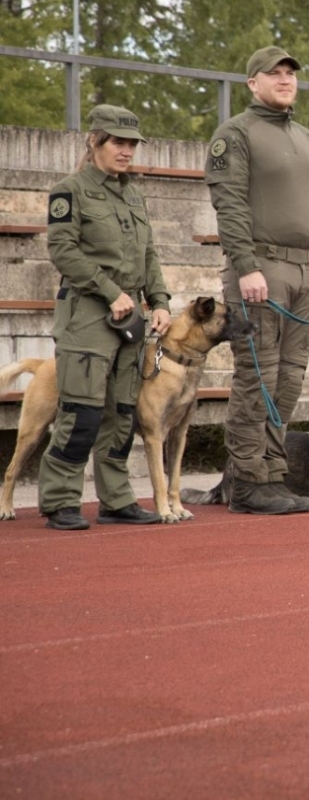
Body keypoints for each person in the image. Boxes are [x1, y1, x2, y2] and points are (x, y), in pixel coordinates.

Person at [207, 46, 309, 515]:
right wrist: (245, 265)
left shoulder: (306, 137)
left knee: (288, 381)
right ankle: (247, 480)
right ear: (253, 83)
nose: (286, 80)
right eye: (275, 73)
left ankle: (272, 470)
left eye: (290, 73)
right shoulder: (236, 134)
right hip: (262, 268)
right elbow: (229, 204)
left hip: (307, 271)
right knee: (257, 378)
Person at [35, 106, 171, 529]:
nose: (126, 150)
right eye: (118, 142)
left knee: (121, 415)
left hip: (131, 320)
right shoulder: (69, 191)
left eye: (132, 143)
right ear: (95, 141)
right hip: (88, 317)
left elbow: (147, 253)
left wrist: (160, 300)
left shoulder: (132, 193)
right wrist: (111, 293)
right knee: (82, 413)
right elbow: (63, 251)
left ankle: (116, 499)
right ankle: (60, 501)